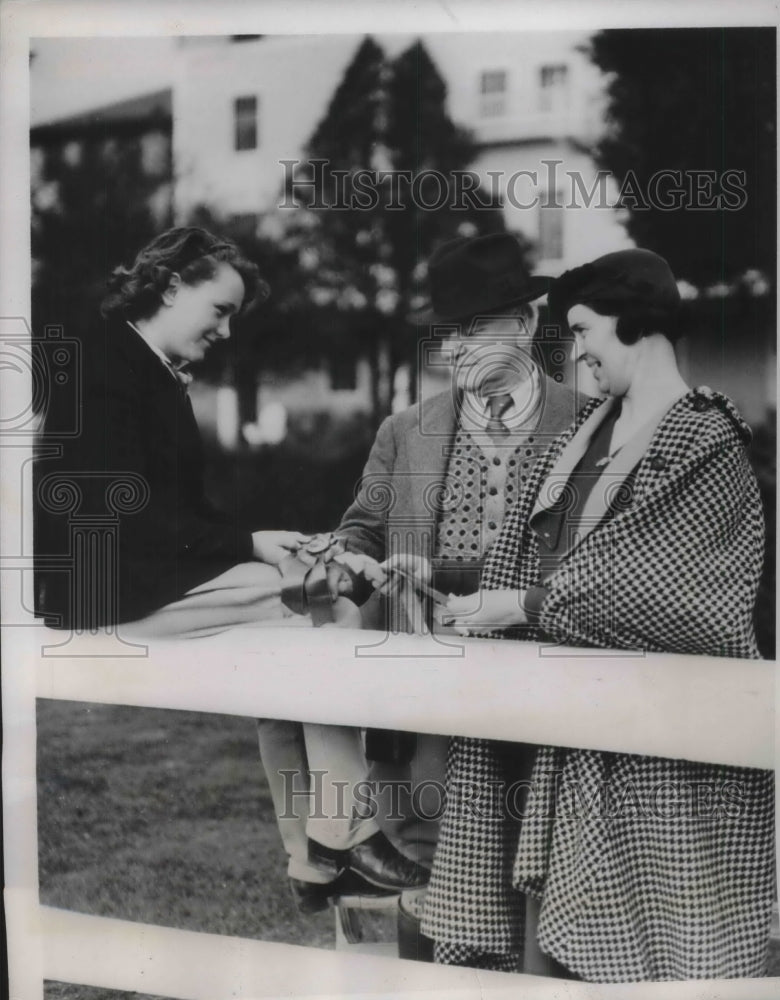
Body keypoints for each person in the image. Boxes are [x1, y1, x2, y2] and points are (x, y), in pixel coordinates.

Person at [33, 225, 427, 912]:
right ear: (171, 285)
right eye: (219, 310)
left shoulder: (143, 367)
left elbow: (181, 510)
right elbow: (115, 512)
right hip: (102, 585)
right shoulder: (104, 369)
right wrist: (250, 544)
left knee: (297, 630)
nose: (225, 331)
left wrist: (268, 540)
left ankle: (314, 857)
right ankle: (341, 834)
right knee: (318, 607)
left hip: (136, 575)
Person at [420, 249, 775, 980]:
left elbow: (672, 596)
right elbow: (535, 551)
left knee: (654, 948)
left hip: (661, 753)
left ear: (634, 319)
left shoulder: (706, 441)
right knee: (543, 941)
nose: (574, 351)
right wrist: (450, 581)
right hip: (557, 726)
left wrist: (519, 604)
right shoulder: (586, 433)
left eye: (583, 330)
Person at [328, 233, 587, 941]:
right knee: (429, 866)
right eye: (449, 333)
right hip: (430, 685)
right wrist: (350, 563)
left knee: (538, 870)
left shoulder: (592, 426)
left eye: (475, 328)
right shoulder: (407, 430)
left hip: (550, 684)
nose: (457, 349)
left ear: (527, 324)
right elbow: (361, 531)